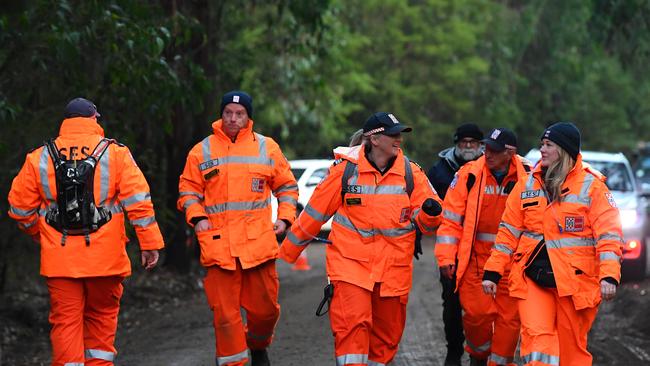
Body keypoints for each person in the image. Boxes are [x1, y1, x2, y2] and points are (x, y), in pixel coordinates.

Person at [7, 97, 164, 366]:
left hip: (60, 261)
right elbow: (139, 201)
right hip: (106, 261)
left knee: (66, 323)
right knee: (101, 321)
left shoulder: (40, 157)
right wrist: (149, 243)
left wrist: (42, 234)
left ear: (65, 122)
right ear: (94, 119)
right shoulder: (115, 153)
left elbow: (19, 209)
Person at [280, 112, 443, 365]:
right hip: (350, 266)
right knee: (351, 327)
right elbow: (314, 213)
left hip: (393, 270)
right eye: (393, 134)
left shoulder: (412, 174)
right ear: (374, 139)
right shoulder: (345, 171)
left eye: (400, 134)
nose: (398, 139)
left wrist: (431, 214)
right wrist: (286, 252)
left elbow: (426, 221)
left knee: (386, 338)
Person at [482, 122, 622, 365]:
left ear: (565, 150)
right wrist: (493, 271)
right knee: (537, 343)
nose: (542, 150)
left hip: (575, 283)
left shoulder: (593, 188)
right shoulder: (526, 185)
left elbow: (609, 235)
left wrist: (609, 276)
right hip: (532, 278)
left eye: (548, 145)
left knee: (572, 353)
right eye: (541, 144)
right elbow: (507, 233)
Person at [177, 90, 298, 366]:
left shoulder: (267, 148)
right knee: (225, 316)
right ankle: (233, 362)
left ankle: (257, 345)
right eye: (228, 113)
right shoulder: (201, 150)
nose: (233, 119)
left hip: (258, 246)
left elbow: (287, 187)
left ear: (248, 117)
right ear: (221, 115)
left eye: (239, 114)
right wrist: (197, 217)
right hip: (218, 246)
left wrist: (286, 217)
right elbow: (187, 191)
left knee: (266, 311)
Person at [435, 128, 530, 366]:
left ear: (510, 153)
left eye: (495, 151)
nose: (488, 154)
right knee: (477, 316)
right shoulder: (469, 175)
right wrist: (447, 258)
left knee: (509, 323)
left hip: (513, 265)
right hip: (476, 263)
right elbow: (450, 221)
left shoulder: (529, 177)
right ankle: (478, 356)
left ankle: (498, 362)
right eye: (486, 148)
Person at [427, 123, 484, 365]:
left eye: (473, 142)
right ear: (456, 143)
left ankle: (479, 353)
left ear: (481, 145)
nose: (468, 146)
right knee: (451, 305)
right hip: (451, 249)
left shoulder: (491, 169)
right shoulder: (439, 171)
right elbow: (424, 204)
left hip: (482, 254)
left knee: (479, 310)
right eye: (464, 142)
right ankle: (454, 350)